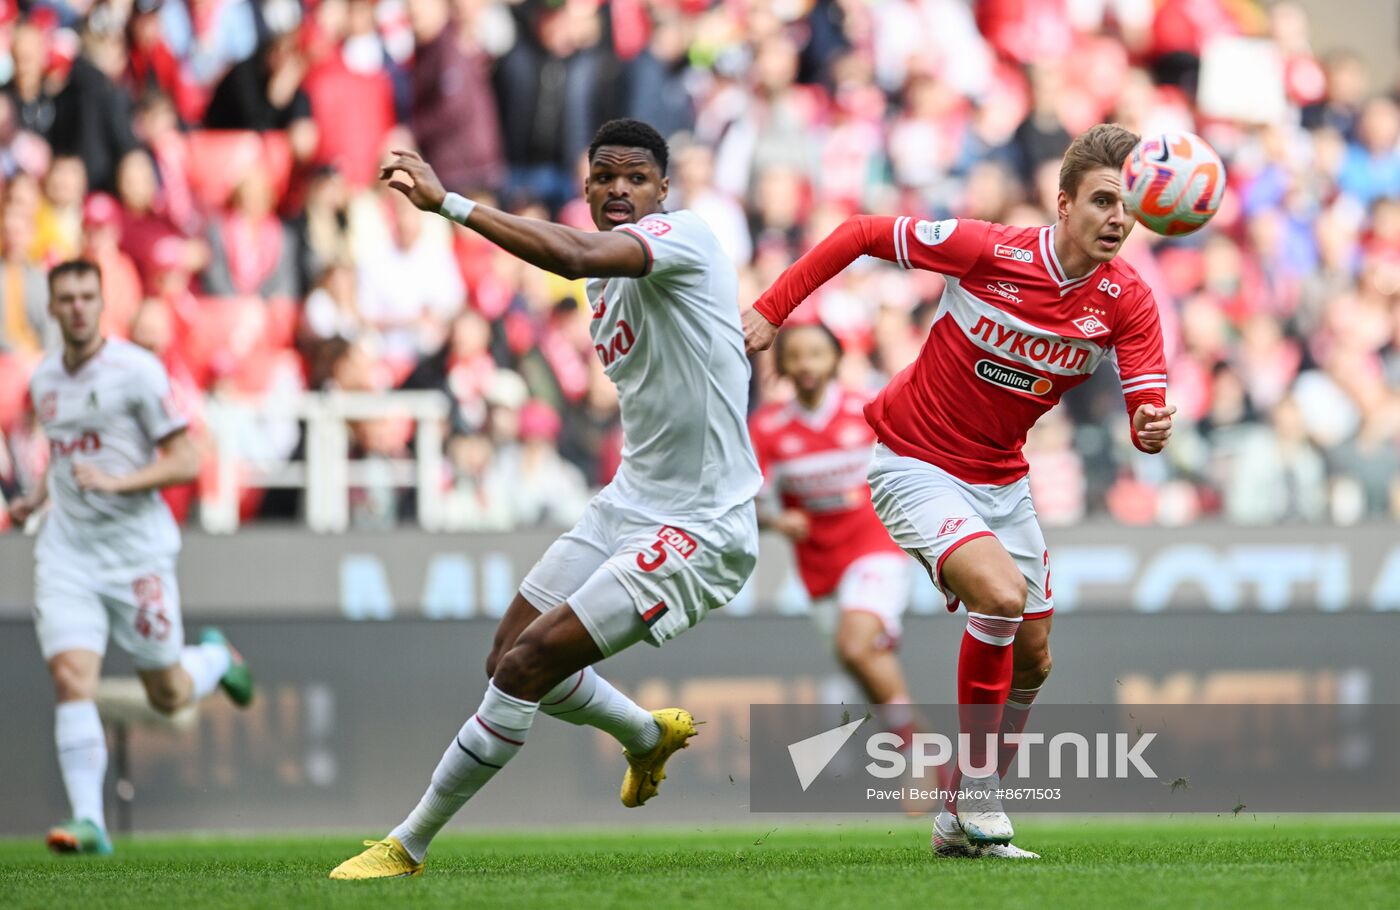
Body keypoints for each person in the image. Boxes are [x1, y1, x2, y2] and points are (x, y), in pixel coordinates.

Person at [331, 119, 762, 879]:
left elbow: (567, 252)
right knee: (505, 657)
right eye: (605, 177)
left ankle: (408, 844)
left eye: (636, 177)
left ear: (664, 191)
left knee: (528, 668)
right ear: (586, 186)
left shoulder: (681, 237)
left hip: (705, 522)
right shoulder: (605, 282)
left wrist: (450, 206)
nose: (620, 189)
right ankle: (642, 734)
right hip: (632, 500)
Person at [744, 124, 1175, 859]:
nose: (1117, 218)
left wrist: (1152, 425)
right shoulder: (988, 249)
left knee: (1035, 659)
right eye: (1103, 201)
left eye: (1128, 205)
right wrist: (771, 309)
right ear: (1063, 203)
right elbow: (859, 232)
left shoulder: (1128, 301)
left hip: (1003, 480)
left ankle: (956, 820)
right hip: (913, 462)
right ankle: (978, 790)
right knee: (1000, 598)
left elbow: (1146, 414)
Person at [7, 260, 254, 856]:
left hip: (135, 555)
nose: (77, 308)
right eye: (65, 298)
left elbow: (188, 460)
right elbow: (63, 455)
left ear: (101, 302)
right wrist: (35, 500)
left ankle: (216, 659)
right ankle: (89, 821)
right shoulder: (43, 381)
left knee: (167, 693)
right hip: (67, 552)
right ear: (52, 308)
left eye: (87, 296)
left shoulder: (137, 373)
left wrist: (118, 484)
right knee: (71, 678)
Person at [748, 324, 915, 719]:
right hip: (818, 565)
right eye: (795, 355)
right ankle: (927, 754)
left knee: (856, 648)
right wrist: (774, 520)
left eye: (817, 353)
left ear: (837, 359)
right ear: (781, 365)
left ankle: (918, 760)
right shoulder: (766, 428)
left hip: (874, 547)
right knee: (860, 666)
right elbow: (746, 508)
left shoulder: (867, 408)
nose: (806, 364)